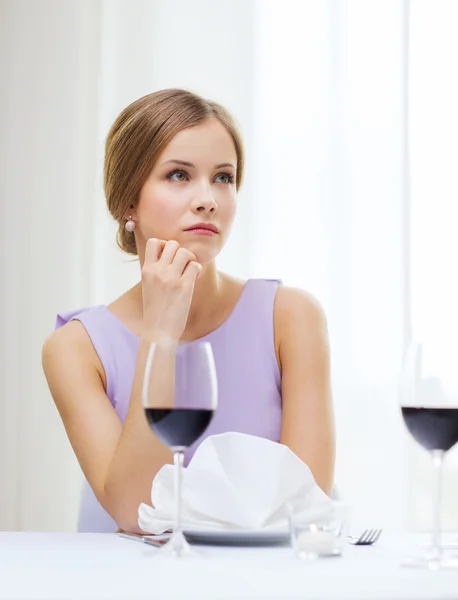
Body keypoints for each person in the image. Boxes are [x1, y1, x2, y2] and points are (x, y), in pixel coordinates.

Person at [42, 88, 336, 534]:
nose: (208, 199)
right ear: (128, 202)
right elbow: (137, 511)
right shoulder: (76, 348)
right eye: (179, 175)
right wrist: (161, 331)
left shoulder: (291, 318)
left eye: (223, 177)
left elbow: (306, 503)